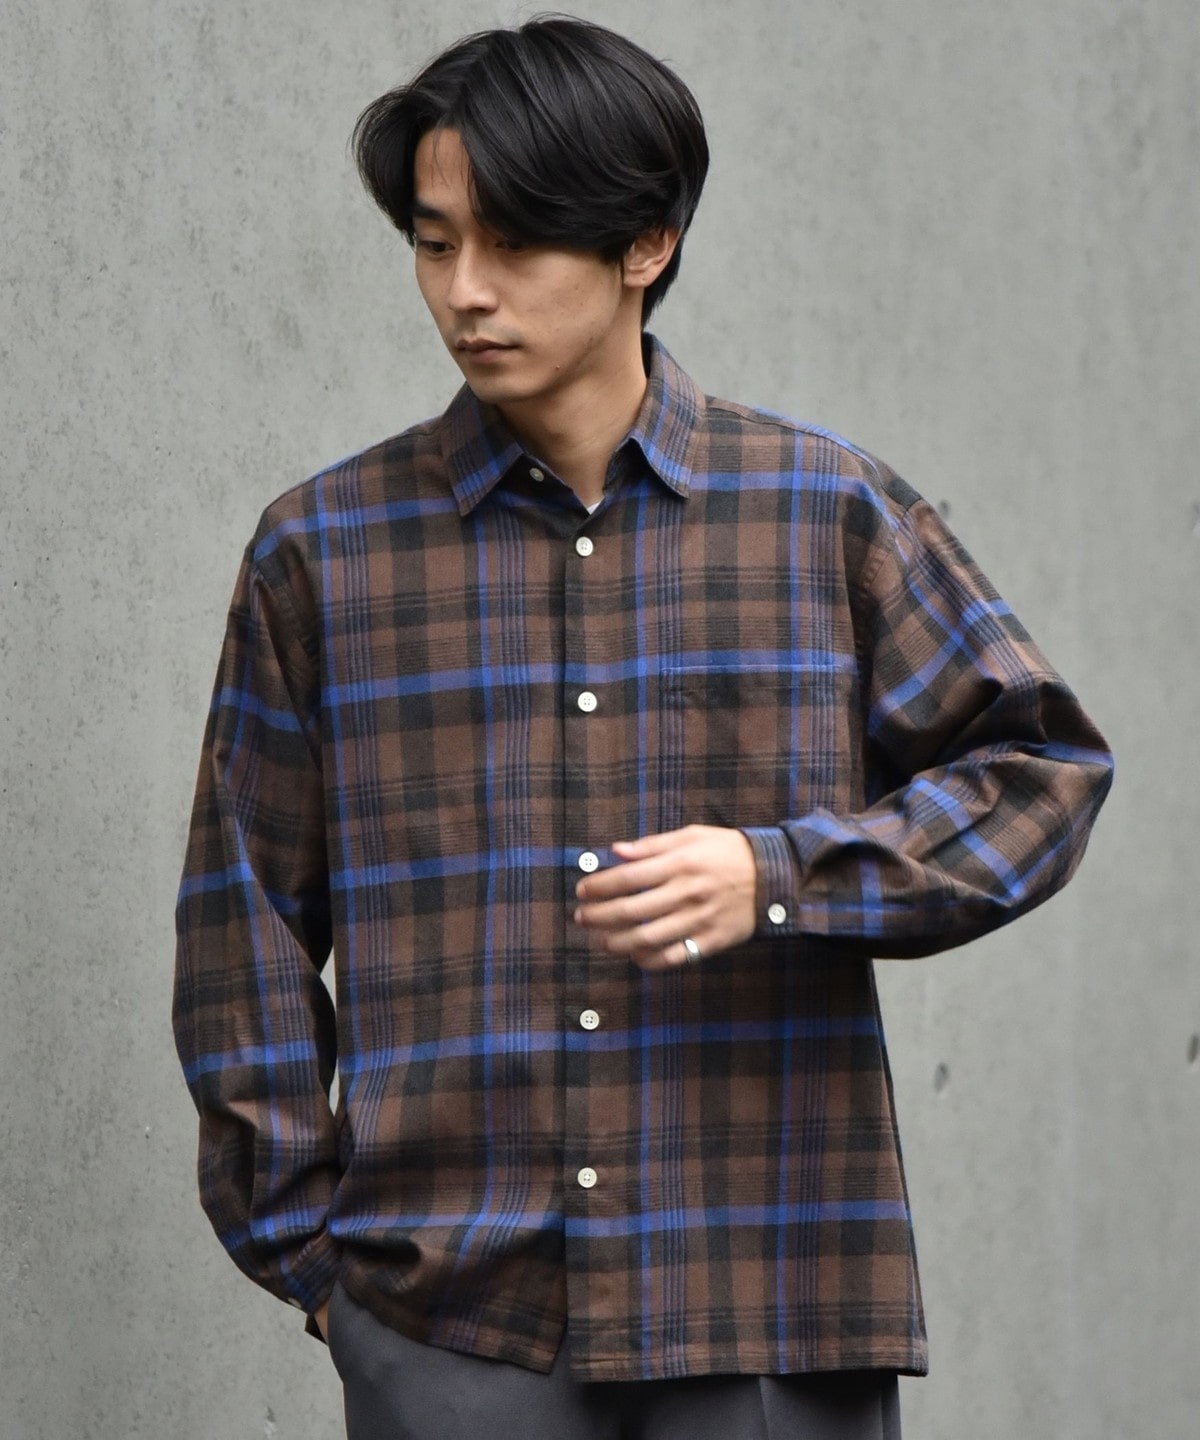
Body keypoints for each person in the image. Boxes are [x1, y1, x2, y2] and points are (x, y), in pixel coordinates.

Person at [173, 17, 1113, 1440]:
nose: (465, 293)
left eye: (513, 246)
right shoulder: (325, 554)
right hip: (450, 1324)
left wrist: (780, 878)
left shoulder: (824, 514)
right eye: (434, 245)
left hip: (766, 1298)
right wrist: (317, 1270)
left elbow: (1043, 774)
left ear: (645, 244)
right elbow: (237, 927)